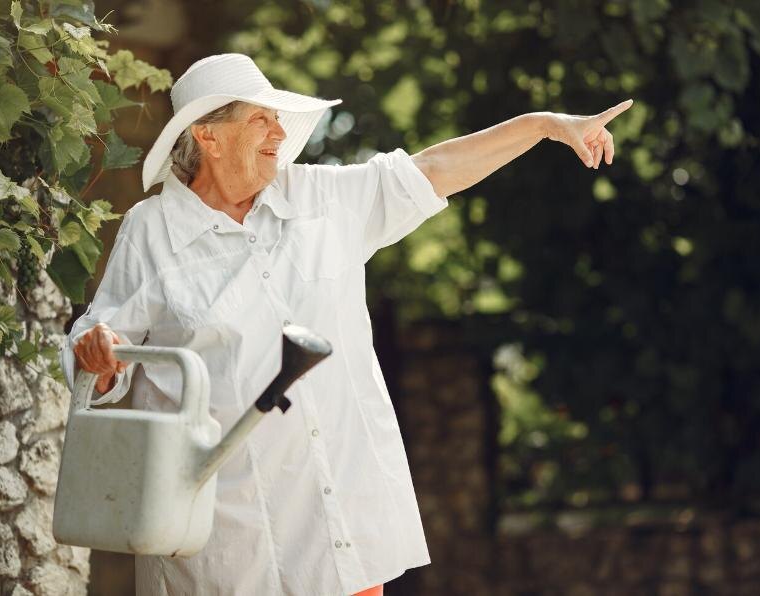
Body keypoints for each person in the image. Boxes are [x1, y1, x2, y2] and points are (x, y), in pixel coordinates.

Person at [62, 53, 632, 595]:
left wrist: (544, 126)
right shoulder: (151, 230)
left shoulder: (321, 198)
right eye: (261, 120)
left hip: (336, 522)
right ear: (207, 136)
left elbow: (433, 170)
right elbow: (102, 354)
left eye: (279, 120)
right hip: (226, 540)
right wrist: (102, 356)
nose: (280, 135)